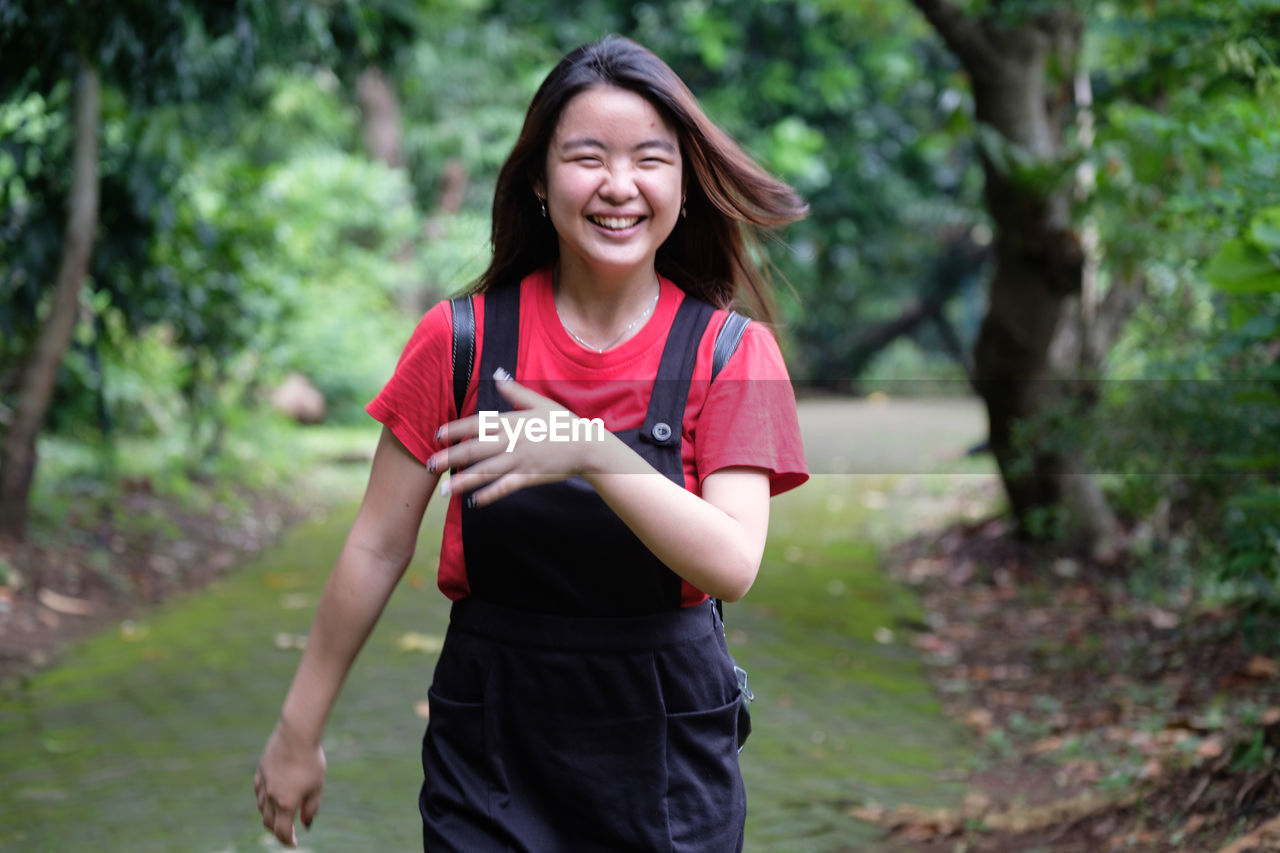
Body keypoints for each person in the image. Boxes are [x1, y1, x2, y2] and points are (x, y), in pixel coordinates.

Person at [254, 35, 809, 852]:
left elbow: (732, 561)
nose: (619, 186)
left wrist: (592, 450)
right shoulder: (460, 340)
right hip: (491, 745)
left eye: (649, 160)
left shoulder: (734, 354)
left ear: (684, 185)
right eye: (587, 158)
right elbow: (375, 546)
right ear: (541, 184)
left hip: (665, 755)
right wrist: (297, 729)